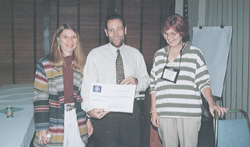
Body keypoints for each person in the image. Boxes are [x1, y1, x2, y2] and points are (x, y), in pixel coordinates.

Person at [150, 14, 228, 147]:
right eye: (166, 34)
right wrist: (154, 111)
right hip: (165, 113)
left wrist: (211, 103)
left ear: (182, 32)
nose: (169, 38)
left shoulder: (195, 53)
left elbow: (203, 82)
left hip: (189, 114)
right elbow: (154, 86)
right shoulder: (158, 56)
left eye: (173, 33)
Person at [81, 13, 150, 147]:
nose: (116, 34)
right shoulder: (95, 55)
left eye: (119, 29)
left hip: (131, 112)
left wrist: (137, 82)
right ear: (106, 32)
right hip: (105, 115)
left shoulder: (136, 54)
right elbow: (87, 87)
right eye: (111, 30)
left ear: (125, 30)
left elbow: (147, 80)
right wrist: (89, 111)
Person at [33, 24, 93, 147]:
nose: (70, 41)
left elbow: (87, 95)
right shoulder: (44, 64)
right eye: (65, 37)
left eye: (74, 37)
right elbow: (40, 98)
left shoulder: (83, 64)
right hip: (54, 118)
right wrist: (43, 127)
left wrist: (88, 120)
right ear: (58, 40)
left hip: (78, 118)